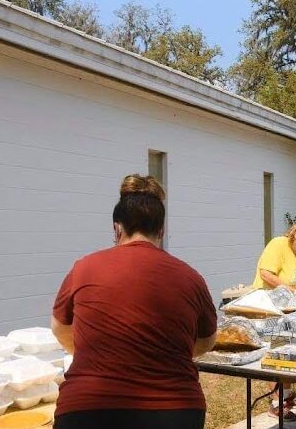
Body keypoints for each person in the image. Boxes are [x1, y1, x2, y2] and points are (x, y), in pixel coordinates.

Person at [51, 175, 217, 429]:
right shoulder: (191, 277)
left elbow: (60, 328)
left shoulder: (84, 268)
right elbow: (207, 341)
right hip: (176, 412)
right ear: (161, 231)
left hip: (87, 411)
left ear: (117, 228)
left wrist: (97, 351)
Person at [251, 219, 296, 421]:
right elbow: (266, 274)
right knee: (276, 354)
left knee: (290, 354)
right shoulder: (278, 244)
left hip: (291, 312)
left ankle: (288, 395)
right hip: (270, 310)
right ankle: (276, 403)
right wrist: (292, 291)